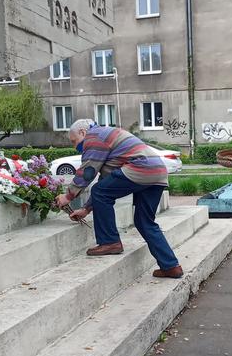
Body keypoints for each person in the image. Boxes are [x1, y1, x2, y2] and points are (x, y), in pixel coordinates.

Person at [55, 119, 183, 278]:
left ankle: (109, 242)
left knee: (99, 191)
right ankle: (171, 266)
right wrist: (86, 209)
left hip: (140, 168)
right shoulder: (108, 136)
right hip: (156, 172)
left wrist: (68, 196)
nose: (75, 147)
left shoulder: (94, 136)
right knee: (144, 222)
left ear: (82, 132)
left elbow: (88, 172)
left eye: (74, 141)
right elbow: (107, 179)